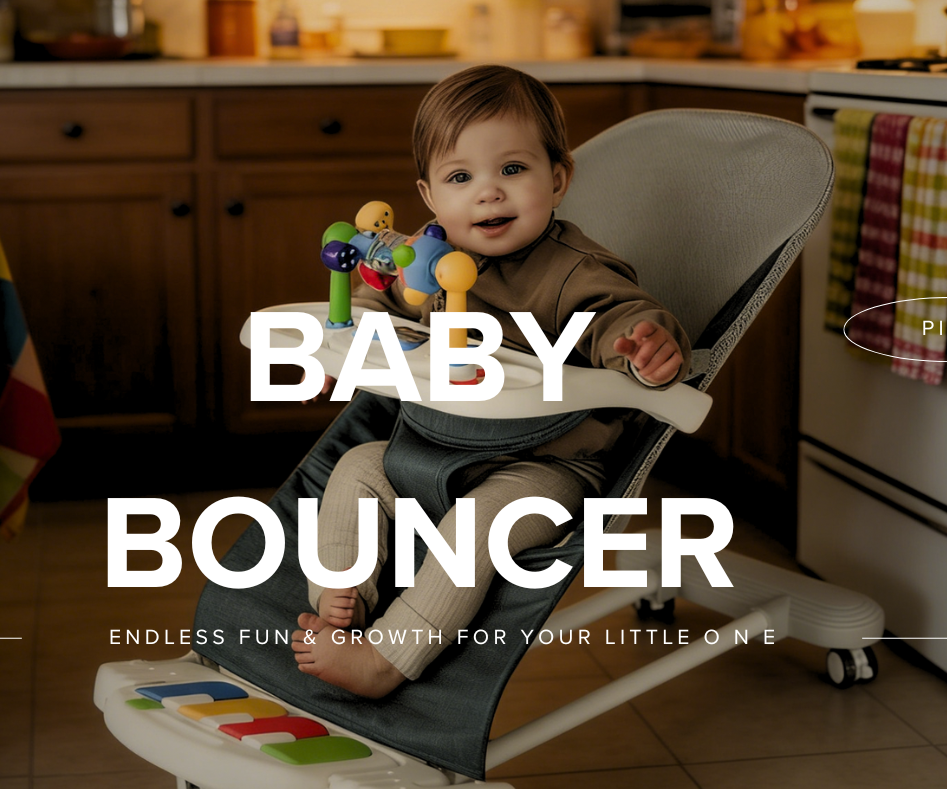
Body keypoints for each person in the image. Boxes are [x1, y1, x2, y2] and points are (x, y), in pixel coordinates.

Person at [290, 64, 690, 698]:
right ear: (429, 195)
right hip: (433, 445)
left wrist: (646, 343)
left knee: (480, 526)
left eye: (512, 169)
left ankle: (387, 660)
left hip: (544, 463)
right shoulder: (423, 260)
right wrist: (331, 355)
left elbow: (623, 313)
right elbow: (369, 307)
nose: (488, 193)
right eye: (460, 177)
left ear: (557, 179)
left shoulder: (570, 272)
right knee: (357, 469)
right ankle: (341, 598)